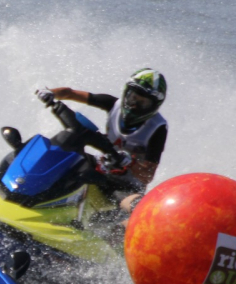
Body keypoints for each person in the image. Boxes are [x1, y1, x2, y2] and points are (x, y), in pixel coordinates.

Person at [37, 68, 168, 193]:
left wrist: (131, 162)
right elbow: (69, 93)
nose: (134, 105)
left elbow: (147, 176)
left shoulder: (158, 128)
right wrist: (51, 93)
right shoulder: (112, 103)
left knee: (124, 201)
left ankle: (130, 211)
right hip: (103, 166)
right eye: (133, 97)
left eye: (143, 102)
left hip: (128, 184)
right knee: (67, 157)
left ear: (154, 106)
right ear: (126, 92)